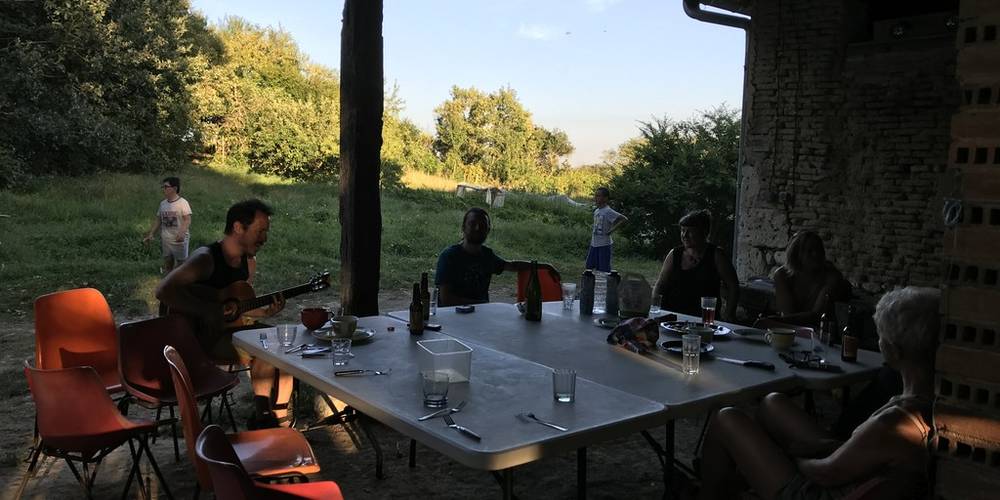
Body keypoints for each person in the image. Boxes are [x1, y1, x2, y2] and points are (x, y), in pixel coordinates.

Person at [696, 287, 938, 500]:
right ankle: (732, 480)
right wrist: (823, 445)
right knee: (773, 402)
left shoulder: (896, 423)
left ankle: (710, 492)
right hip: (854, 473)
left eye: (880, 338)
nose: (878, 343)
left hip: (819, 491)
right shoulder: (930, 403)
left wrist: (783, 454)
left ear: (892, 351)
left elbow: (824, 473)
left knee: (726, 417)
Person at [156, 199, 292, 426]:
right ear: (238, 227)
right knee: (265, 349)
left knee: (284, 343)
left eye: (266, 232)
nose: (264, 239)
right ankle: (263, 416)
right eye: (260, 231)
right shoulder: (205, 259)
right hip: (198, 338)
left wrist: (265, 312)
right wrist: (208, 310)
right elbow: (164, 291)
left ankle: (278, 416)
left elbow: (236, 309)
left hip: (228, 332)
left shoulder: (247, 262)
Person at [436, 207, 559, 307]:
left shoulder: (487, 255)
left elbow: (513, 265)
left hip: (481, 316)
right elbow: (446, 299)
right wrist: (485, 306)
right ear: (463, 227)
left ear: (488, 230)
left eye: (483, 225)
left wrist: (545, 266)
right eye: (472, 224)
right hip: (453, 317)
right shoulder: (449, 257)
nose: (478, 228)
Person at [651, 210, 739, 321]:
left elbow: (733, 286)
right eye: (682, 230)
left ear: (704, 232)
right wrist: (655, 309)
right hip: (672, 317)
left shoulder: (716, 255)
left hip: (704, 319)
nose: (684, 235)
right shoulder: (675, 254)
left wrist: (729, 314)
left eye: (690, 231)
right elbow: (660, 285)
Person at [772, 231, 851, 327]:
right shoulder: (782, 275)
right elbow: (789, 314)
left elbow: (817, 316)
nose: (816, 254)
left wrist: (776, 321)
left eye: (819, 250)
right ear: (797, 254)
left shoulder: (832, 276)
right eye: (809, 251)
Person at [143, 176, 192, 274]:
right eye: (163, 187)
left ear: (174, 188)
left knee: (181, 264)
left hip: (179, 240)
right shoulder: (163, 204)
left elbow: (187, 219)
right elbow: (158, 220)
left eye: (166, 187)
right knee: (168, 261)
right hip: (166, 239)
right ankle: (168, 278)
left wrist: (182, 233)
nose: (163, 189)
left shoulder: (183, 203)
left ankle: (180, 281)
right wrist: (151, 234)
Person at [584, 187, 627, 272]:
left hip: (604, 245)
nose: (596, 198)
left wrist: (611, 230)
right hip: (594, 244)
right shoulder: (596, 211)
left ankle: (604, 284)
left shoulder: (608, 211)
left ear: (605, 198)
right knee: (589, 267)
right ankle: (591, 284)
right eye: (595, 196)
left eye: (598, 196)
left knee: (603, 270)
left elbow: (624, 219)